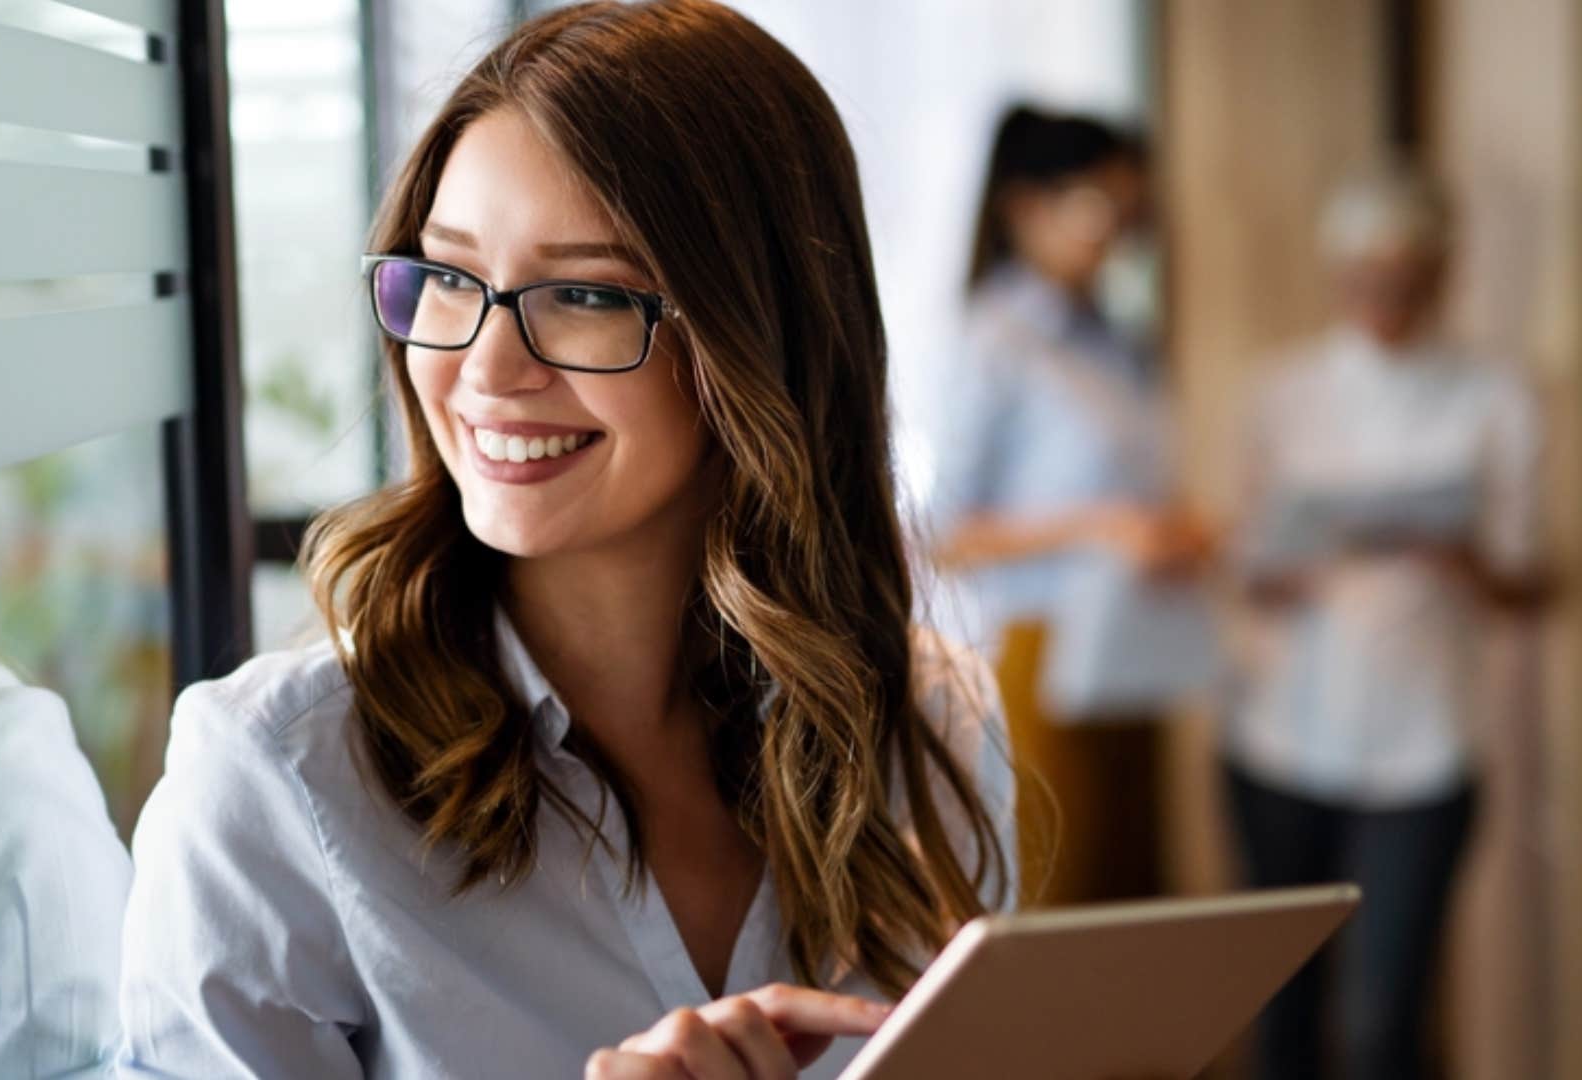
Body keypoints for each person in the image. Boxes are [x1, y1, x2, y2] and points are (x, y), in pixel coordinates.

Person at [114, 3, 1017, 1078]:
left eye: (585, 293)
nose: (486, 369)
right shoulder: (276, 784)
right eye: (448, 278)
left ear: (759, 338)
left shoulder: (928, 726)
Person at [1225, 163, 1548, 1080]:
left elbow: (1529, 582)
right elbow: (1243, 566)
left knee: (1382, 1021)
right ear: (1337, 278)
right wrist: (1288, 558)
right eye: (1366, 282)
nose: (1386, 302)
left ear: (1443, 275)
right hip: (1284, 735)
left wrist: (1463, 557)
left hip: (1428, 740)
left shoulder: (1497, 395)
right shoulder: (1282, 392)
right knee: (1282, 1010)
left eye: (1407, 283)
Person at [929, 106, 1206, 903]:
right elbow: (945, 533)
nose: (1114, 233)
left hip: (1133, 645)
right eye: (1097, 207)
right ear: (1025, 206)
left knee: (1132, 898)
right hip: (1038, 653)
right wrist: (1103, 528)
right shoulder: (997, 340)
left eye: (1129, 210)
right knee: (1056, 899)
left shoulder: (1114, 341)